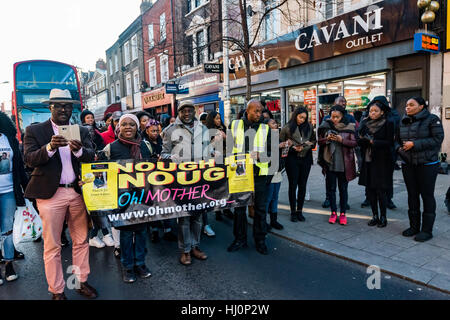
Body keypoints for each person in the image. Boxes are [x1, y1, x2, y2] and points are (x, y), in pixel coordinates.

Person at [23, 89, 97, 300]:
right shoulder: (35, 130)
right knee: (53, 245)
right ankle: (57, 290)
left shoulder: (81, 130)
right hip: (50, 195)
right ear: (50, 107)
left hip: (76, 192)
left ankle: (80, 282)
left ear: (72, 108)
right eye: (58, 106)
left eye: (67, 106)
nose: (63, 109)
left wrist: (80, 152)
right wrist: (49, 147)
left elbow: (92, 156)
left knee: (81, 241)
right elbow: (29, 159)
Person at [99, 114, 152, 282]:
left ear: (138, 128)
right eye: (124, 124)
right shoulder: (110, 149)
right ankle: (127, 266)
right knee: (127, 234)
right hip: (122, 199)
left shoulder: (146, 147)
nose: (128, 127)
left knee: (142, 232)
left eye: (132, 124)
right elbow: (99, 171)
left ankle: (140, 263)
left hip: (143, 196)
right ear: (118, 128)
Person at [161, 100, 211, 265]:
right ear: (179, 113)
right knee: (184, 217)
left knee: (197, 215)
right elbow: (164, 154)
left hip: (199, 177)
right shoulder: (170, 130)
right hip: (181, 179)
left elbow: (207, 149)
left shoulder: (202, 129)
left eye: (190, 110)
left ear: (194, 111)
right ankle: (185, 250)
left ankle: (196, 246)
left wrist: (212, 153)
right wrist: (172, 158)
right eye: (184, 111)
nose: (187, 113)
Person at [396, 97, 444, 242]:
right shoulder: (403, 120)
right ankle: (414, 227)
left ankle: (427, 231)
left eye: (411, 105)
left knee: (427, 195)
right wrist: (399, 150)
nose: (407, 108)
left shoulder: (432, 119)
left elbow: (438, 139)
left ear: (421, 106)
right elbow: (396, 141)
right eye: (406, 105)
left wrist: (415, 144)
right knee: (412, 195)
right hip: (408, 164)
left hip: (427, 164)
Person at [227, 99, 272, 255]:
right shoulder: (234, 125)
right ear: (248, 111)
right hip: (240, 174)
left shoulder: (266, 128)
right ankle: (240, 239)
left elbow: (272, 154)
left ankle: (260, 240)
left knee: (260, 209)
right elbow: (227, 149)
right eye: (256, 111)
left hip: (259, 174)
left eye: (260, 111)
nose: (259, 114)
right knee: (239, 209)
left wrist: (262, 156)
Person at [0, 111, 28, 284]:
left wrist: (27, 188)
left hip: (9, 190)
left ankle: (9, 263)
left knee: (7, 229)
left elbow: (18, 165)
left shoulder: (7, 139)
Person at [357, 99, 395, 228]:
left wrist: (374, 142)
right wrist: (364, 139)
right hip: (368, 161)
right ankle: (374, 216)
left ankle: (383, 217)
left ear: (382, 112)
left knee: (381, 191)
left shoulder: (388, 123)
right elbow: (358, 140)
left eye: (375, 111)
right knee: (370, 190)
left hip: (382, 161)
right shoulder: (365, 123)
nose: (372, 113)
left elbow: (389, 142)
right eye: (371, 111)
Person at [318, 105, 357, 225]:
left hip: (345, 164)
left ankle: (343, 213)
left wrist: (342, 140)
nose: (334, 119)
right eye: (332, 116)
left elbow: (355, 143)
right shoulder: (326, 126)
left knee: (343, 189)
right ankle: (333, 212)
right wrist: (327, 139)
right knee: (331, 189)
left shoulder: (350, 127)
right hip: (330, 163)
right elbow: (319, 141)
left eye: (337, 117)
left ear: (342, 116)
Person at [360, 96, 399, 210]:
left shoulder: (392, 115)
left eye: (378, 105)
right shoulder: (367, 115)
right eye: (373, 105)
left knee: (386, 178)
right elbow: (361, 131)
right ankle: (369, 198)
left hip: (386, 153)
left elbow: (394, 132)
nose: (373, 111)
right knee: (369, 177)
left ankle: (388, 199)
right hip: (369, 153)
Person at [143, 119, 177, 243]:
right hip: (150, 178)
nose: (155, 133)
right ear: (147, 130)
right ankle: (154, 230)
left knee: (166, 203)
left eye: (157, 130)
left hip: (164, 177)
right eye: (153, 131)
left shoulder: (163, 141)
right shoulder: (143, 143)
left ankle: (167, 229)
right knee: (153, 205)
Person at [280, 107, 317, 223]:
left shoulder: (309, 127)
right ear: (295, 115)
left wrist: (306, 146)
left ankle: (300, 211)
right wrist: (292, 148)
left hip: (305, 158)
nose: (302, 120)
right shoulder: (287, 127)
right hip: (292, 159)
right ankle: (293, 212)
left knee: (303, 185)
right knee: (293, 184)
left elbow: (313, 142)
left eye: (305, 118)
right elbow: (280, 144)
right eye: (300, 117)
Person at [322, 96, 355, 210]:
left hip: (344, 158)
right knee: (330, 184)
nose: (343, 103)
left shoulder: (350, 119)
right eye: (341, 102)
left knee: (343, 186)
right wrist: (327, 138)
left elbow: (355, 139)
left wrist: (343, 140)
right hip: (330, 158)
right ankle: (329, 200)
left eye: (345, 102)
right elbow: (320, 138)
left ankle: (343, 204)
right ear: (334, 104)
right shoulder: (327, 120)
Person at [205, 111, 233, 221]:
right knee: (217, 187)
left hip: (225, 159)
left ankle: (227, 209)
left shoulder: (224, 129)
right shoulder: (207, 131)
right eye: (216, 118)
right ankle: (217, 211)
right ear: (211, 120)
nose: (218, 120)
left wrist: (226, 137)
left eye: (219, 118)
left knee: (226, 186)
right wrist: (214, 141)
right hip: (214, 162)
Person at [265, 119, 284, 230]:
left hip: (277, 170)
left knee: (275, 196)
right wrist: (277, 146)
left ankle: (274, 220)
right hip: (269, 170)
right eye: (272, 123)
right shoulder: (264, 138)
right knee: (268, 197)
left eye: (276, 123)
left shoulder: (278, 136)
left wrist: (287, 145)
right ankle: (264, 221)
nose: (275, 125)